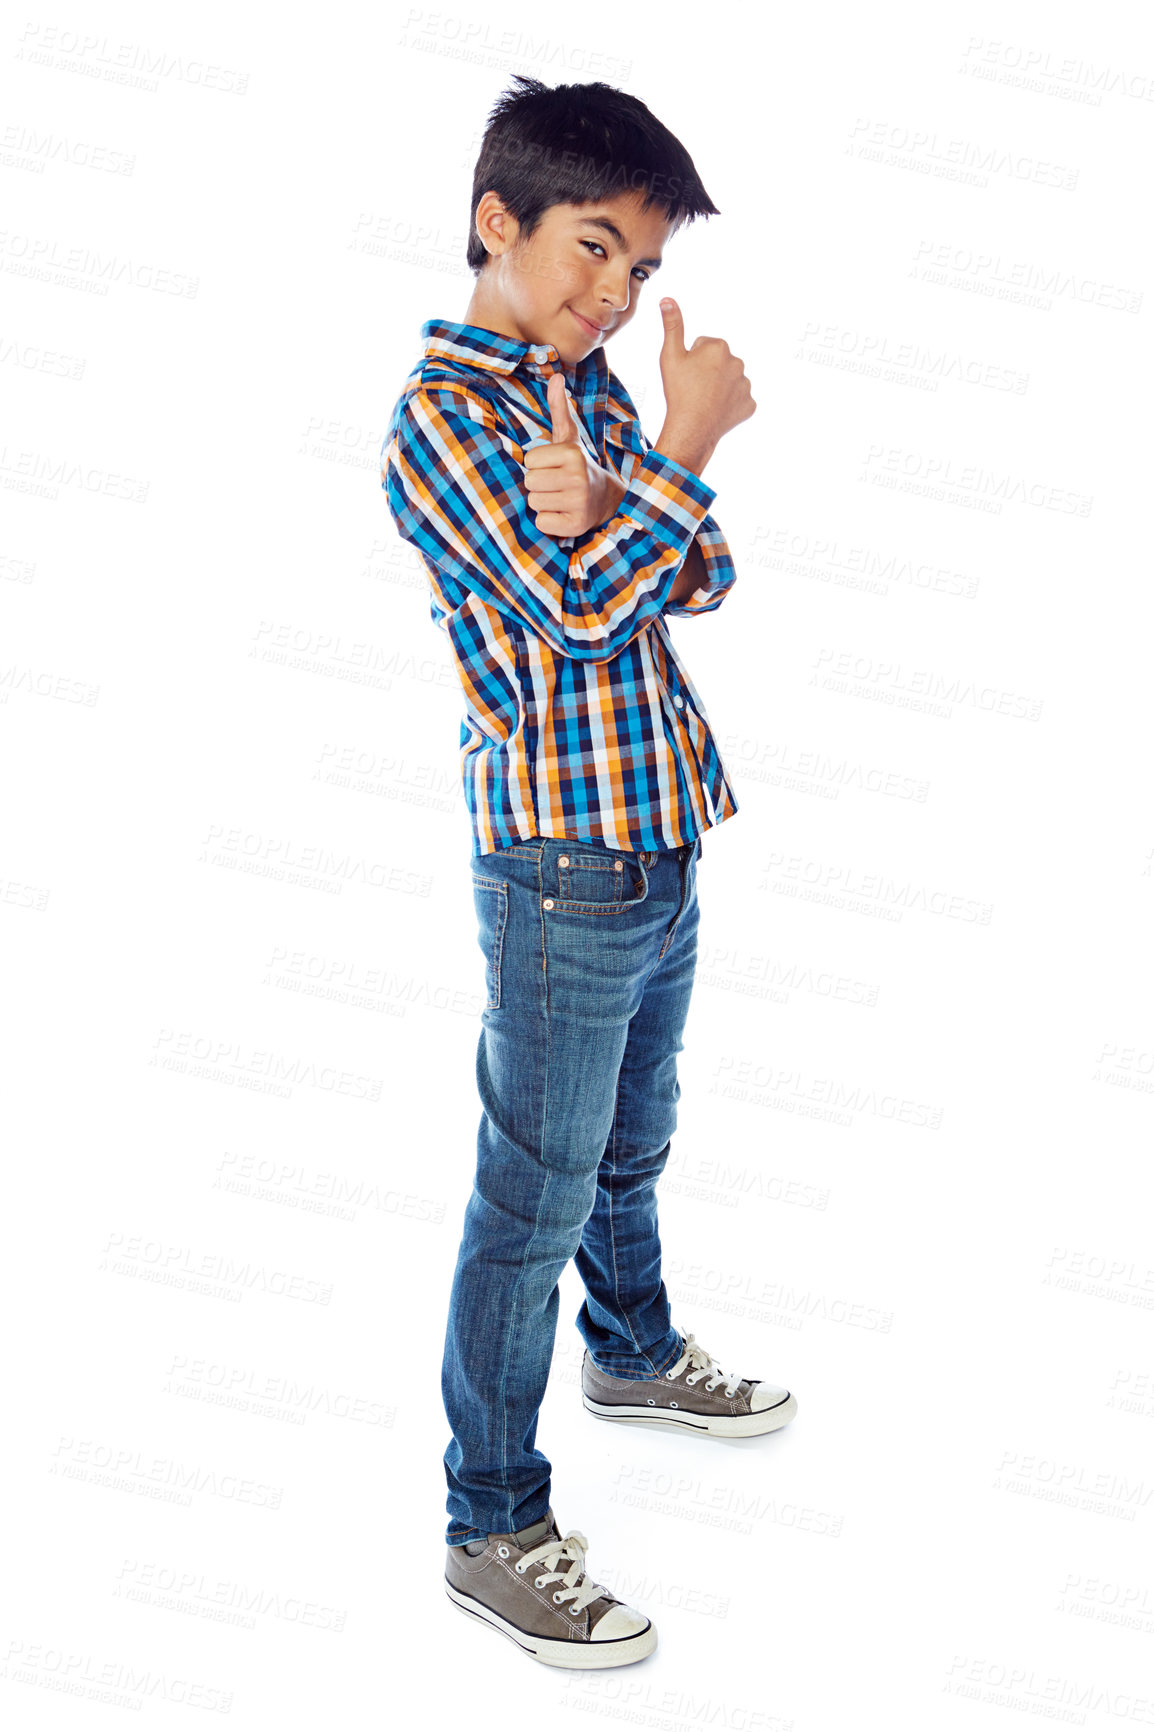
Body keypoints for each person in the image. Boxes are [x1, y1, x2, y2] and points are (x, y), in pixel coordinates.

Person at [381, 73, 797, 1669]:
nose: (613, 292)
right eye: (591, 249)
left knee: (635, 1138)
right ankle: (491, 1518)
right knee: (529, 1198)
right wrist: (678, 450)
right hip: (560, 863)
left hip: (660, 835)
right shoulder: (443, 418)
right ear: (498, 222)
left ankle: (630, 1354)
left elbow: (695, 576)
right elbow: (570, 619)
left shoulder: (594, 392)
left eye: (636, 268)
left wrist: (633, 488)